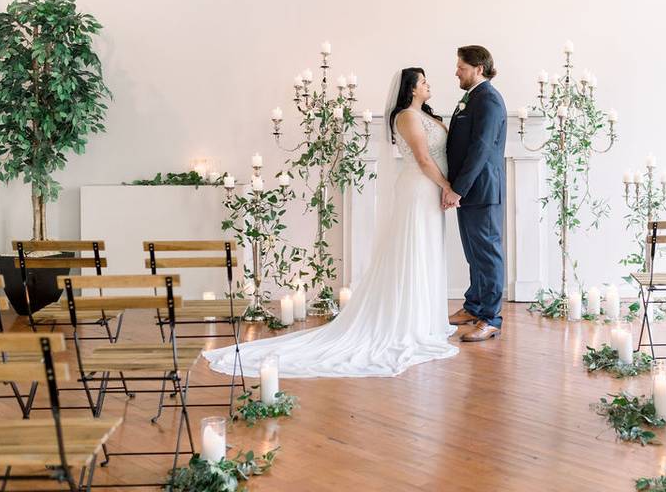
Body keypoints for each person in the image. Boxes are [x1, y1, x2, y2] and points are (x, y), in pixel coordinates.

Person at [203, 67, 458, 377]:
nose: (428, 84)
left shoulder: (427, 115)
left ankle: (426, 319)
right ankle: (409, 322)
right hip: (419, 188)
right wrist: (447, 186)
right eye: (423, 81)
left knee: (428, 250)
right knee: (414, 250)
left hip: (430, 188)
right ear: (411, 89)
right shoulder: (406, 115)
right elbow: (422, 158)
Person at [444, 45, 508, 342]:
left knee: (487, 254)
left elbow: (481, 150)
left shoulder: (489, 100)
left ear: (478, 68)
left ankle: (491, 318)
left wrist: (458, 188)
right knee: (473, 253)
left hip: (481, 189)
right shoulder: (472, 98)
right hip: (469, 190)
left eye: (461, 67)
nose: (457, 71)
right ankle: (473, 307)